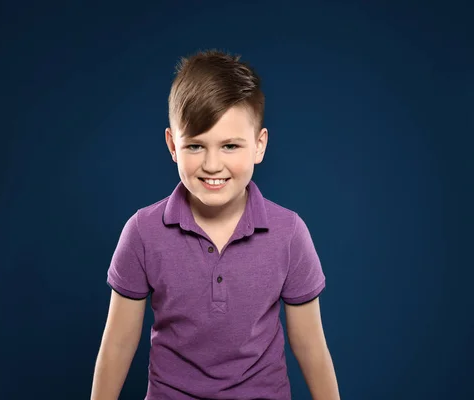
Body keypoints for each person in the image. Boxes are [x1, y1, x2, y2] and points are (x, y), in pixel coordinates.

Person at [90, 49, 340, 400]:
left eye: (230, 146)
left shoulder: (289, 233)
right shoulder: (142, 232)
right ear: (172, 146)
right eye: (195, 145)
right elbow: (117, 344)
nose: (211, 164)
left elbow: (311, 345)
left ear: (259, 145)